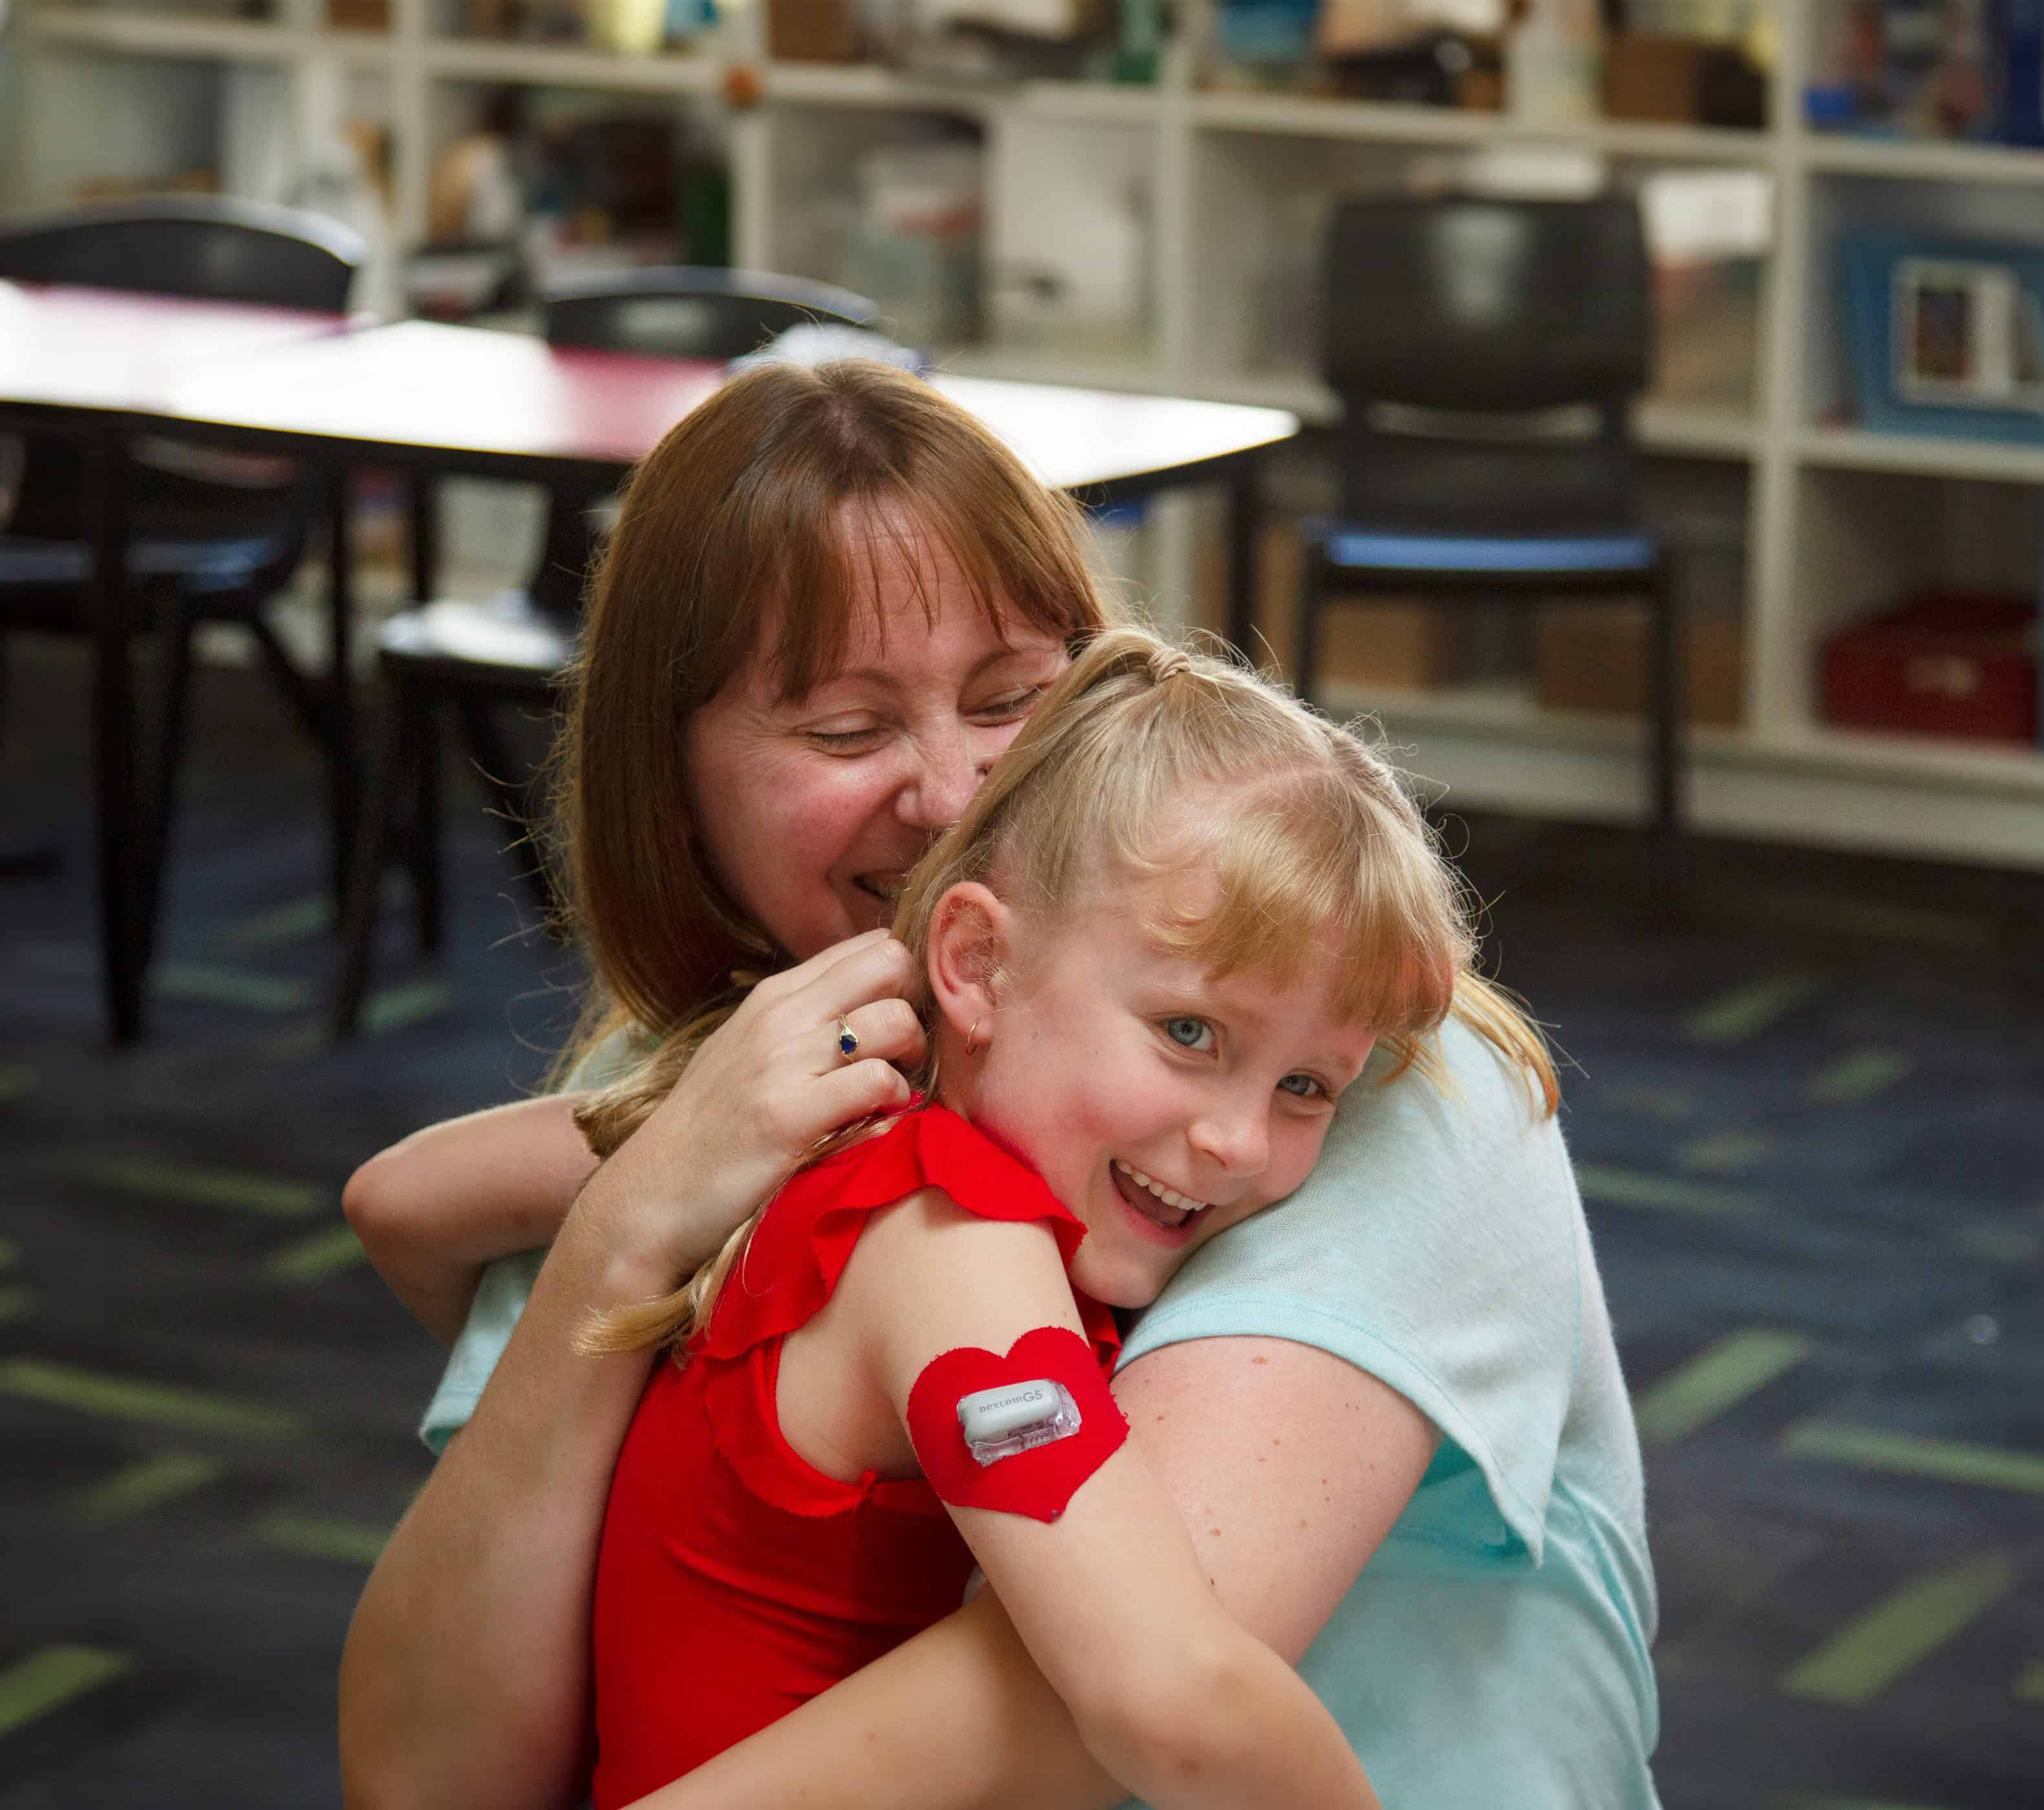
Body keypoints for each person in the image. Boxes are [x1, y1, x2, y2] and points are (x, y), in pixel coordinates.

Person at [339, 358, 1661, 1810]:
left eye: (1015, 697)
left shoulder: (1376, 1063)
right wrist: (625, 1218)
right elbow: (428, 1773)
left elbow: (1149, 1695)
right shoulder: (725, 1085)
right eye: (846, 728)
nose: (960, 795)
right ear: (676, 786)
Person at [579, 625, 1460, 1808]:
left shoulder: (871, 1162)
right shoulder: (956, 1240)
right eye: (1190, 1033)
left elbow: (406, 1193)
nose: (1238, 1142)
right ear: (979, 966)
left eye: (1306, 1086)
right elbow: (1177, 1704)